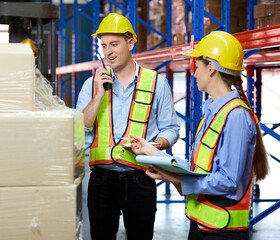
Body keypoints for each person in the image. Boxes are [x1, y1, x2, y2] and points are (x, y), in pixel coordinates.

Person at [130, 31, 269, 240]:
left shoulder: (237, 116)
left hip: (223, 232)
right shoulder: (213, 113)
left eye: (197, 67)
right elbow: (200, 169)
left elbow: (228, 181)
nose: (194, 73)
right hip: (202, 226)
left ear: (211, 68)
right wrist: (153, 152)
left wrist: (173, 178)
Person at [76, 13, 180, 240]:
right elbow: (80, 128)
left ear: (130, 43)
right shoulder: (92, 84)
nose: (108, 52)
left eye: (114, 44)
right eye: (104, 46)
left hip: (141, 178)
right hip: (102, 180)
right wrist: (98, 95)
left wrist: (152, 146)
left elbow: (171, 129)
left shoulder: (156, 82)